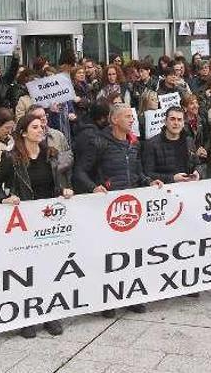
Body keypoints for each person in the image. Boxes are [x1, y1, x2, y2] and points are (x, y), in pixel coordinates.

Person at [73, 104, 163, 316]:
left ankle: (130, 296)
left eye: (132, 116)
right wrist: (93, 187)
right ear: (114, 120)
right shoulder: (98, 142)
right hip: (106, 209)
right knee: (108, 257)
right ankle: (106, 300)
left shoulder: (134, 144)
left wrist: (148, 182)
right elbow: (79, 173)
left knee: (131, 255)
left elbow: (137, 172)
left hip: (130, 209)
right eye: (127, 116)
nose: (132, 120)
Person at [0, 113, 74, 338]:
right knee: (27, 272)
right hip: (26, 224)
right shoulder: (12, 158)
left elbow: (59, 181)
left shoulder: (51, 154)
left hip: (48, 222)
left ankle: (49, 315)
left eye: (42, 127)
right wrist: (4, 199)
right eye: (35, 127)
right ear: (24, 132)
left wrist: (64, 191)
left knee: (49, 269)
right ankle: (27, 317)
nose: (41, 130)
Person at [142, 106, 201, 184]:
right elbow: (148, 174)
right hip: (164, 192)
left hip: (188, 189)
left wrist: (198, 172)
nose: (176, 123)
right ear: (165, 121)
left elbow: (198, 164)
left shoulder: (189, 141)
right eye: (172, 119)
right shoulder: (152, 144)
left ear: (183, 123)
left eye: (179, 120)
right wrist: (172, 178)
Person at [71, 102, 109, 193]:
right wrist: (93, 187)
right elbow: (80, 170)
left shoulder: (85, 129)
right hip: (89, 192)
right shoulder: (91, 138)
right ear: (103, 118)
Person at [181, 94, 209, 176]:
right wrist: (195, 152)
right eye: (191, 103)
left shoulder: (202, 119)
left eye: (196, 103)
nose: (196, 106)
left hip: (201, 160)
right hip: (187, 161)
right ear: (185, 107)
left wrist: (205, 149)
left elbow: (208, 137)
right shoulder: (181, 122)